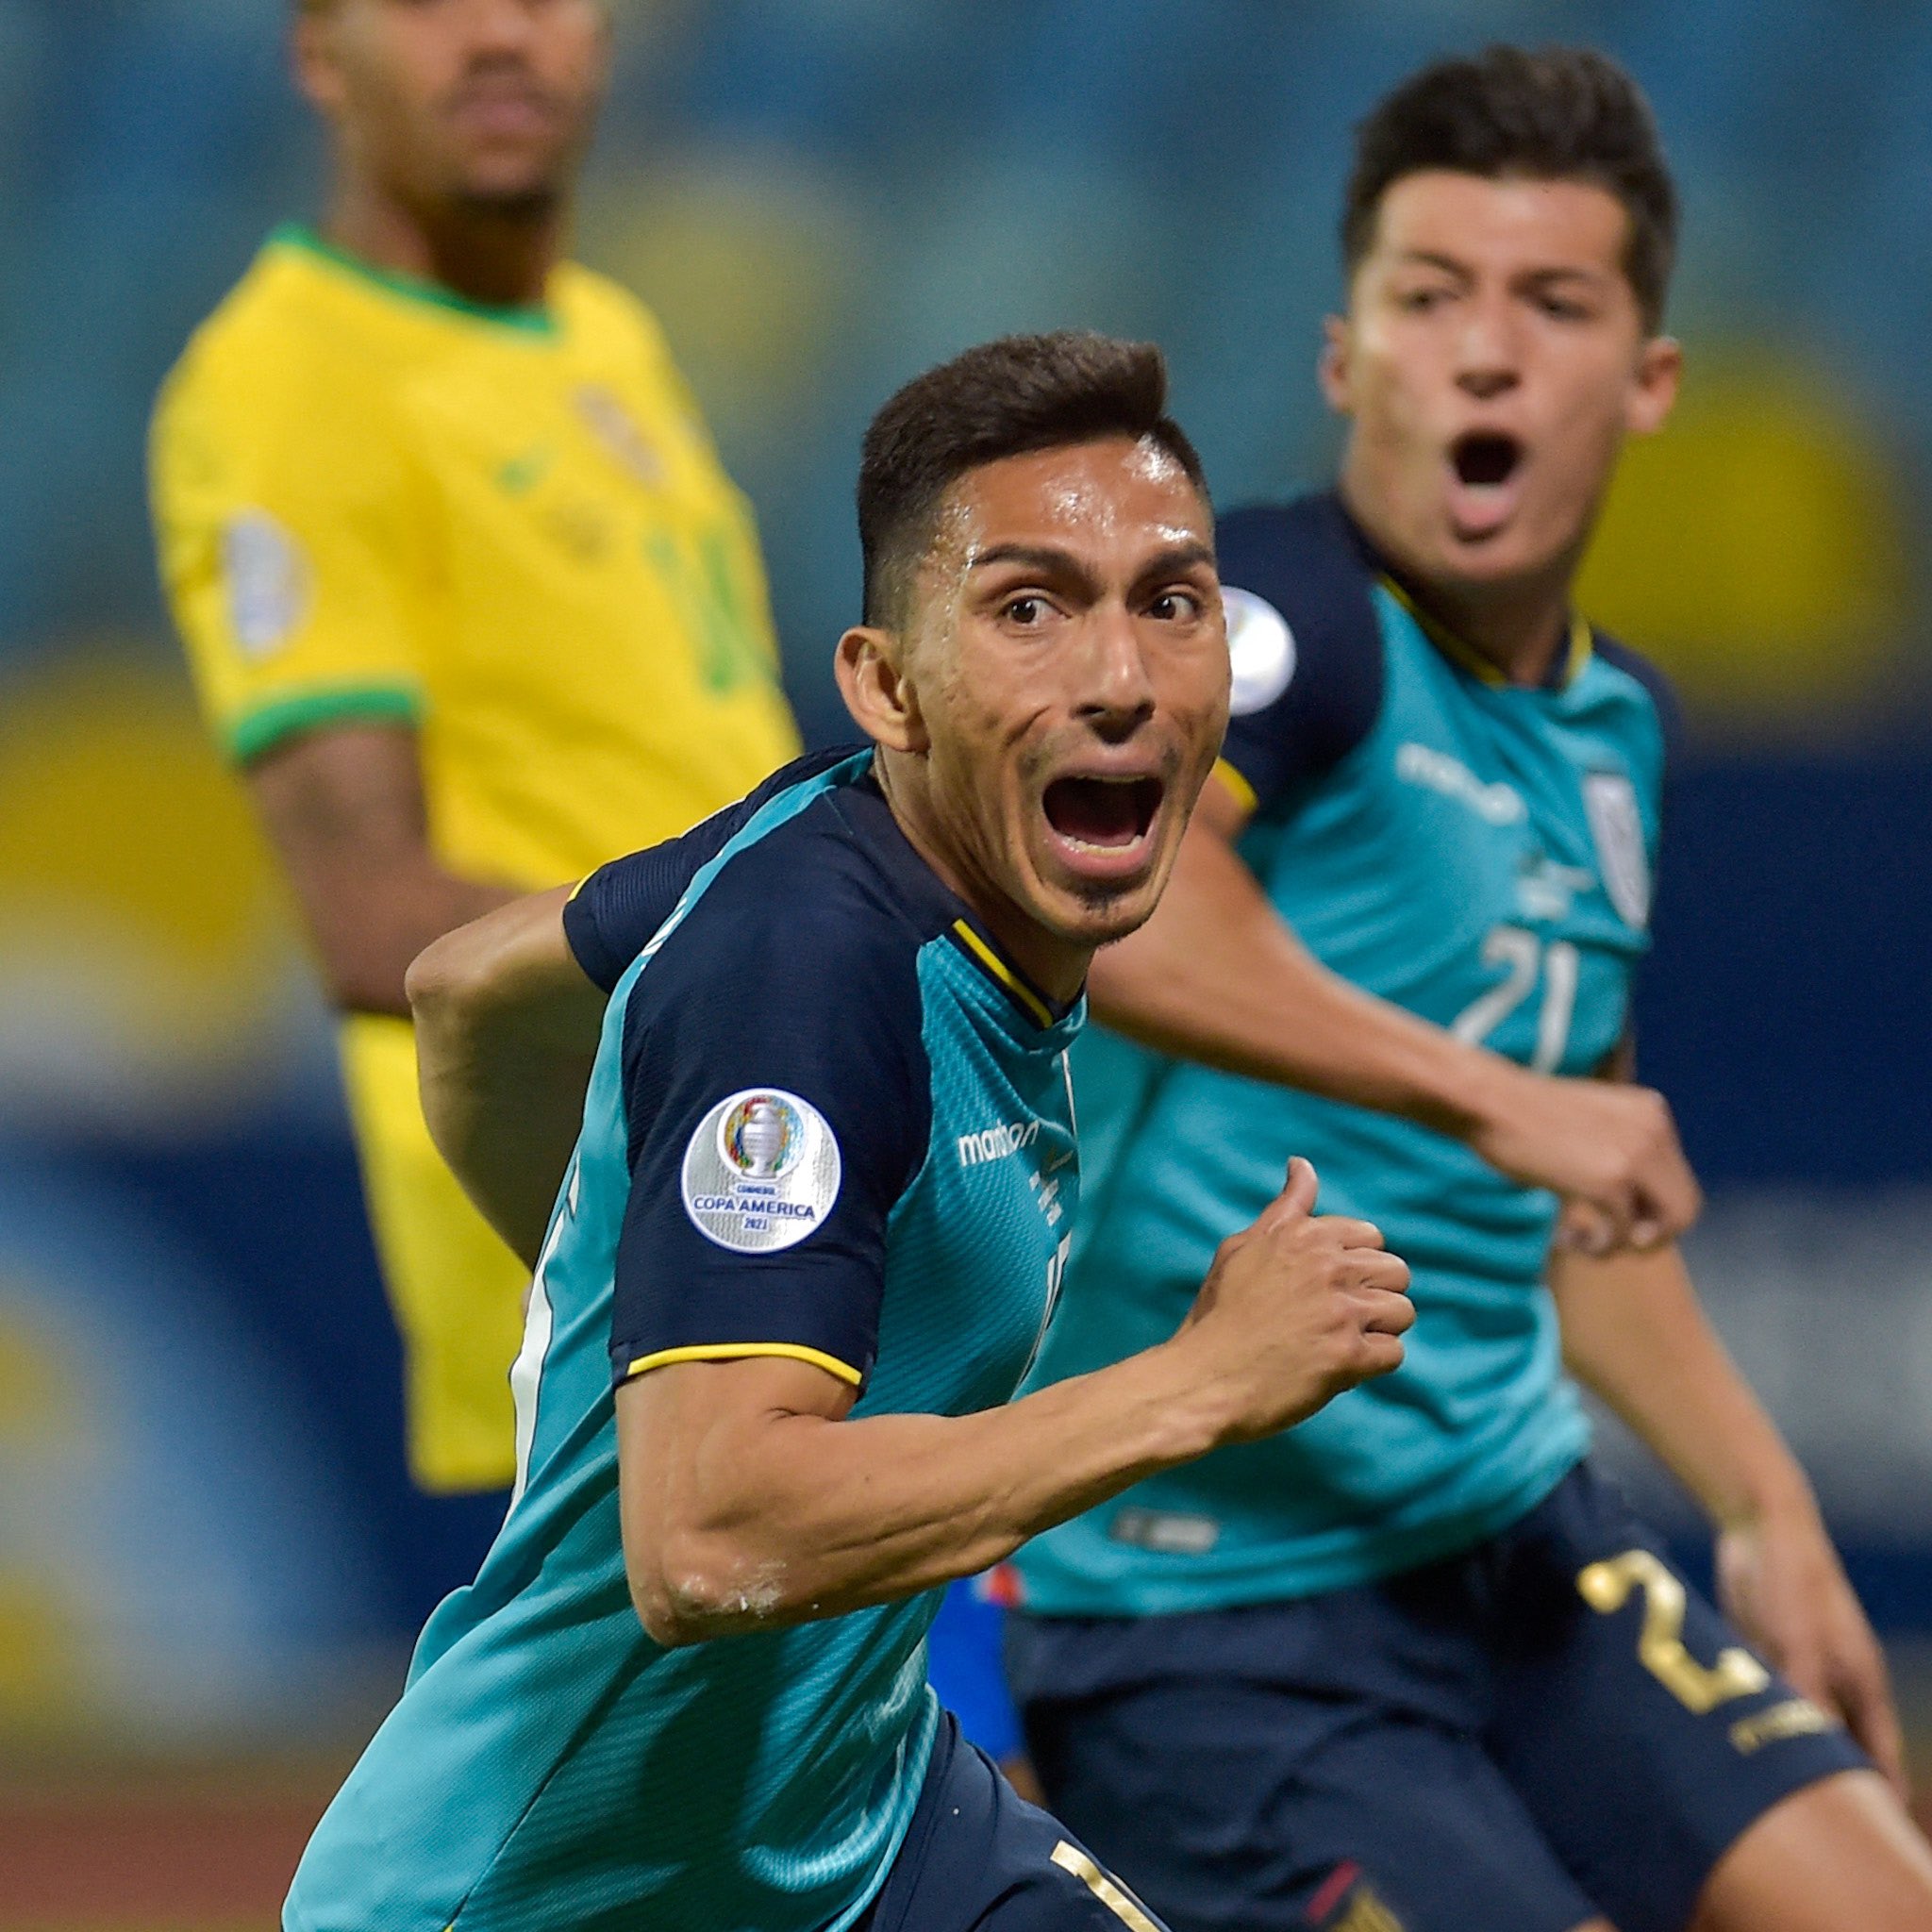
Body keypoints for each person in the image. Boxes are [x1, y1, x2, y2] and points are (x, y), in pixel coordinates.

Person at [278, 332, 1415, 1932]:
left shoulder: (858, 834)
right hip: (562, 1889)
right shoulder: (809, 965)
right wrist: (1202, 1379)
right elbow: (710, 1539)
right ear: (887, 683)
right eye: (1029, 608)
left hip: (861, 1823)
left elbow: (465, 988)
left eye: (1171, 601)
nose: (1119, 678)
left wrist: (643, 1288)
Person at [999, 48, 1932, 1932]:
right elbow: (1123, 897)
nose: (1484, 353)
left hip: (1513, 1550)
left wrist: (1761, 1503)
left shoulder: (1615, 731)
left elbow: (1577, 1206)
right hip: (1206, 1621)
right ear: (1347, 360)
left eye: (1550, 302)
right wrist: (1492, 1094)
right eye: (1430, 298)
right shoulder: (1267, 621)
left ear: (1645, 380)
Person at [149, 0, 799, 1525]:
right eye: (436, 1)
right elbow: (375, 914)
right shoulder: (291, 389)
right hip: (585, 1232)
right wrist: (788, 966)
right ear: (320, 53)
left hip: (764, 1159)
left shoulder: (603, 333)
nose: (503, 38)